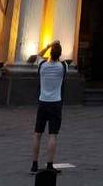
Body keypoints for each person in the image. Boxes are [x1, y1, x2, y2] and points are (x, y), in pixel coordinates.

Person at [31, 41, 68, 175]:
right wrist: (57, 47)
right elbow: (63, 60)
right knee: (53, 134)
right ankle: (50, 164)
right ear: (60, 54)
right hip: (56, 103)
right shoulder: (63, 66)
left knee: (37, 133)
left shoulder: (41, 65)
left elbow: (38, 56)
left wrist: (48, 46)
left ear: (50, 53)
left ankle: (34, 164)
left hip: (42, 102)